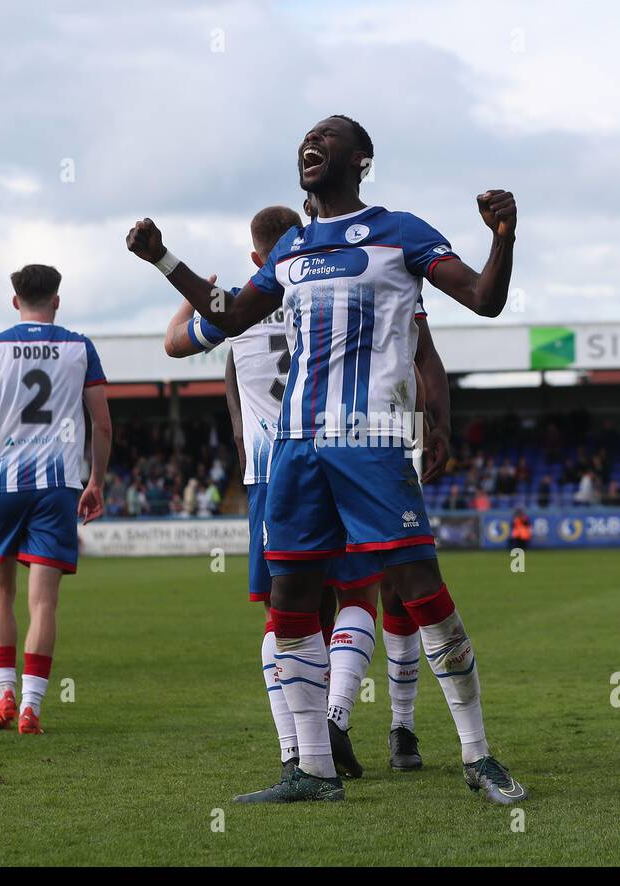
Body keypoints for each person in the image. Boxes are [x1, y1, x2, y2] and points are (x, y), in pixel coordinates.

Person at [128, 115, 524, 804]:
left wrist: (503, 238)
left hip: (369, 439)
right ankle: (311, 769)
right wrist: (166, 260)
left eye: (327, 137)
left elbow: (484, 300)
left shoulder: (401, 231)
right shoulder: (291, 246)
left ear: (360, 159)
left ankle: (479, 755)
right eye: (305, 138)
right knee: (291, 603)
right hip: (294, 446)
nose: (310, 144)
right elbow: (227, 316)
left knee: (421, 591)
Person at [156, 201, 451, 794]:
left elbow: (175, 344)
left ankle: (298, 752)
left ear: (254, 255)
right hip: (350, 447)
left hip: (275, 470)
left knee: (287, 613)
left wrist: (195, 288)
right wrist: (433, 427)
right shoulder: (342, 279)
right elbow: (420, 353)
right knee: (364, 592)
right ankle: (355, 718)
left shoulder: (238, 307)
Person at [0, 265, 112, 735]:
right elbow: (102, 423)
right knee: (44, 603)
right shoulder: (80, 347)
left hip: (3, 483)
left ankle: (3, 693)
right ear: (57, 300)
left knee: (0, 590)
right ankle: (31, 707)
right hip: (58, 483)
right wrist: (96, 481)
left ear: (14, 299)